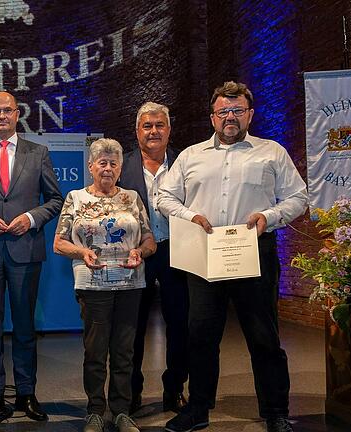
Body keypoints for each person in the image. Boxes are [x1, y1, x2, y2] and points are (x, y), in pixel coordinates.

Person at [158, 82, 308, 432]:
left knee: (264, 336)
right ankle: (198, 409)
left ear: (249, 115)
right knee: (201, 336)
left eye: (237, 111)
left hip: (254, 251)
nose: (230, 117)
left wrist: (267, 217)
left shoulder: (271, 152)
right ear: (213, 117)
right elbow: (164, 196)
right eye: (223, 111)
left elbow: (298, 197)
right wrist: (189, 216)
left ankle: (275, 411)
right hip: (204, 252)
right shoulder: (191, 156)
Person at [0, 91, 63, 422]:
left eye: (7, 110)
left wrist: (31, 218)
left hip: (25, 251)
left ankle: (26, 394)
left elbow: (56, 200)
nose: (1, 115)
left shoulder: (39, 153)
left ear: (17, 114)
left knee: (23, 327)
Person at [53, 138, 156, 432]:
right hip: (92, 285)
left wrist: (140, 252)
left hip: (130, 283)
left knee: (124, 352)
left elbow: (149, 239)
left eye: (113, 163)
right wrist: (82, 252)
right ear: (91, 167)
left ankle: (122, 411)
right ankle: (95, 411)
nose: (108, 169)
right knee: (95, 352)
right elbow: (59, 243)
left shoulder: (133, 198)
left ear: (120, 168)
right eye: (102, 163)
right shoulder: (75, 198)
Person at [118, 102, 189, 414]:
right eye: (147, 126)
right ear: (137, 132)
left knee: (180, 325)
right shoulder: (122, 165)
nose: (154, 131)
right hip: (137, 256)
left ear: (169, 130)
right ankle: (131, 393)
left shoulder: (185, 162)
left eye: (160, 125)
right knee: (132, 328)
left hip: (179, 252)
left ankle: (174, 390)